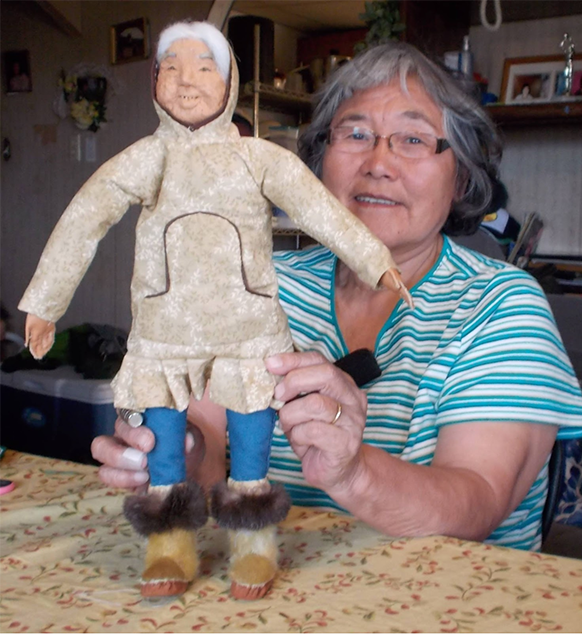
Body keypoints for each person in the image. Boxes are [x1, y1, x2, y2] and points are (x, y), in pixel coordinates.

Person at [93, 41, 582, 564]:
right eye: (355, 134)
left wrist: (353, 472)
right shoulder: (263, 285)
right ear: (318, 161)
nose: (378, 163)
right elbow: (210, 454)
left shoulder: (502, 304)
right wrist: (174, 451)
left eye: (413, 139)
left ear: (461, 176)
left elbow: (479, 502)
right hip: (273, 579)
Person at [19, 21, 406, 600]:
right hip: (163, 333)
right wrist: (46, 302)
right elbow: (84, 218)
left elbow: (318, 209)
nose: (187, 81)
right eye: (171, 69)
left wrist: (375, 261)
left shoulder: (257, 158)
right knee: (163, 448)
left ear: (229, 84)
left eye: (204, 69)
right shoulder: (147, 158)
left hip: (250, 330)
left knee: (252, 443)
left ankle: (253, 544)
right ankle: (168, 543)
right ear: (154, 82)